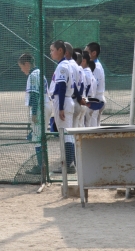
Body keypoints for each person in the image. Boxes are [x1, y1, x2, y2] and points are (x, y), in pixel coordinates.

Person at [49, 40, 76, 174]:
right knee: (67, 133)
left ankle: (68, 164)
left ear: (60, 50)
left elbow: (61, 87)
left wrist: (60, 108)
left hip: (63, 100)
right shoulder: (66, 65)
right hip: (66, 100)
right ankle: (70, 163)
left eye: (52, 50)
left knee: (65, 134)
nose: (51, 53)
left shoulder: (63, 66)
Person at [18, 53, 45, 175]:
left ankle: (41, 166)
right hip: (45, 106)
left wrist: (34, 113)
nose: (21, 70)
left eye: (21, 66)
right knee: (39, 136)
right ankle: (42, 164)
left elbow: (34, 95)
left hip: (39, 107)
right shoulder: (40, 72)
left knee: (37, 138)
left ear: (27, 64)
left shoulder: (33, 75)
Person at [85, 42, 105, 125]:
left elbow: (94, 85)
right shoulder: (96, 64)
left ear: (93, 53)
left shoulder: (96, 66)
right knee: (94, 125)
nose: (84, 54)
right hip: (97, 98)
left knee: (92, 126)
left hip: (95, 99)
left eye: (86, 52)